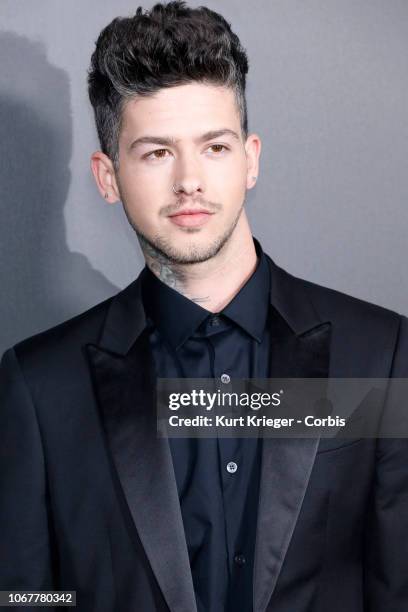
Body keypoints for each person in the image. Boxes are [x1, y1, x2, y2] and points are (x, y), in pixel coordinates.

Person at [1, 2, 407, 611]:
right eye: (157, 153)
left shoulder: (381, 354)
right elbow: (30, 599)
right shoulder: (39, 386)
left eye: (214, 147)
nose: (189, 180)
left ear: (251, 159)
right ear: (108, 176)